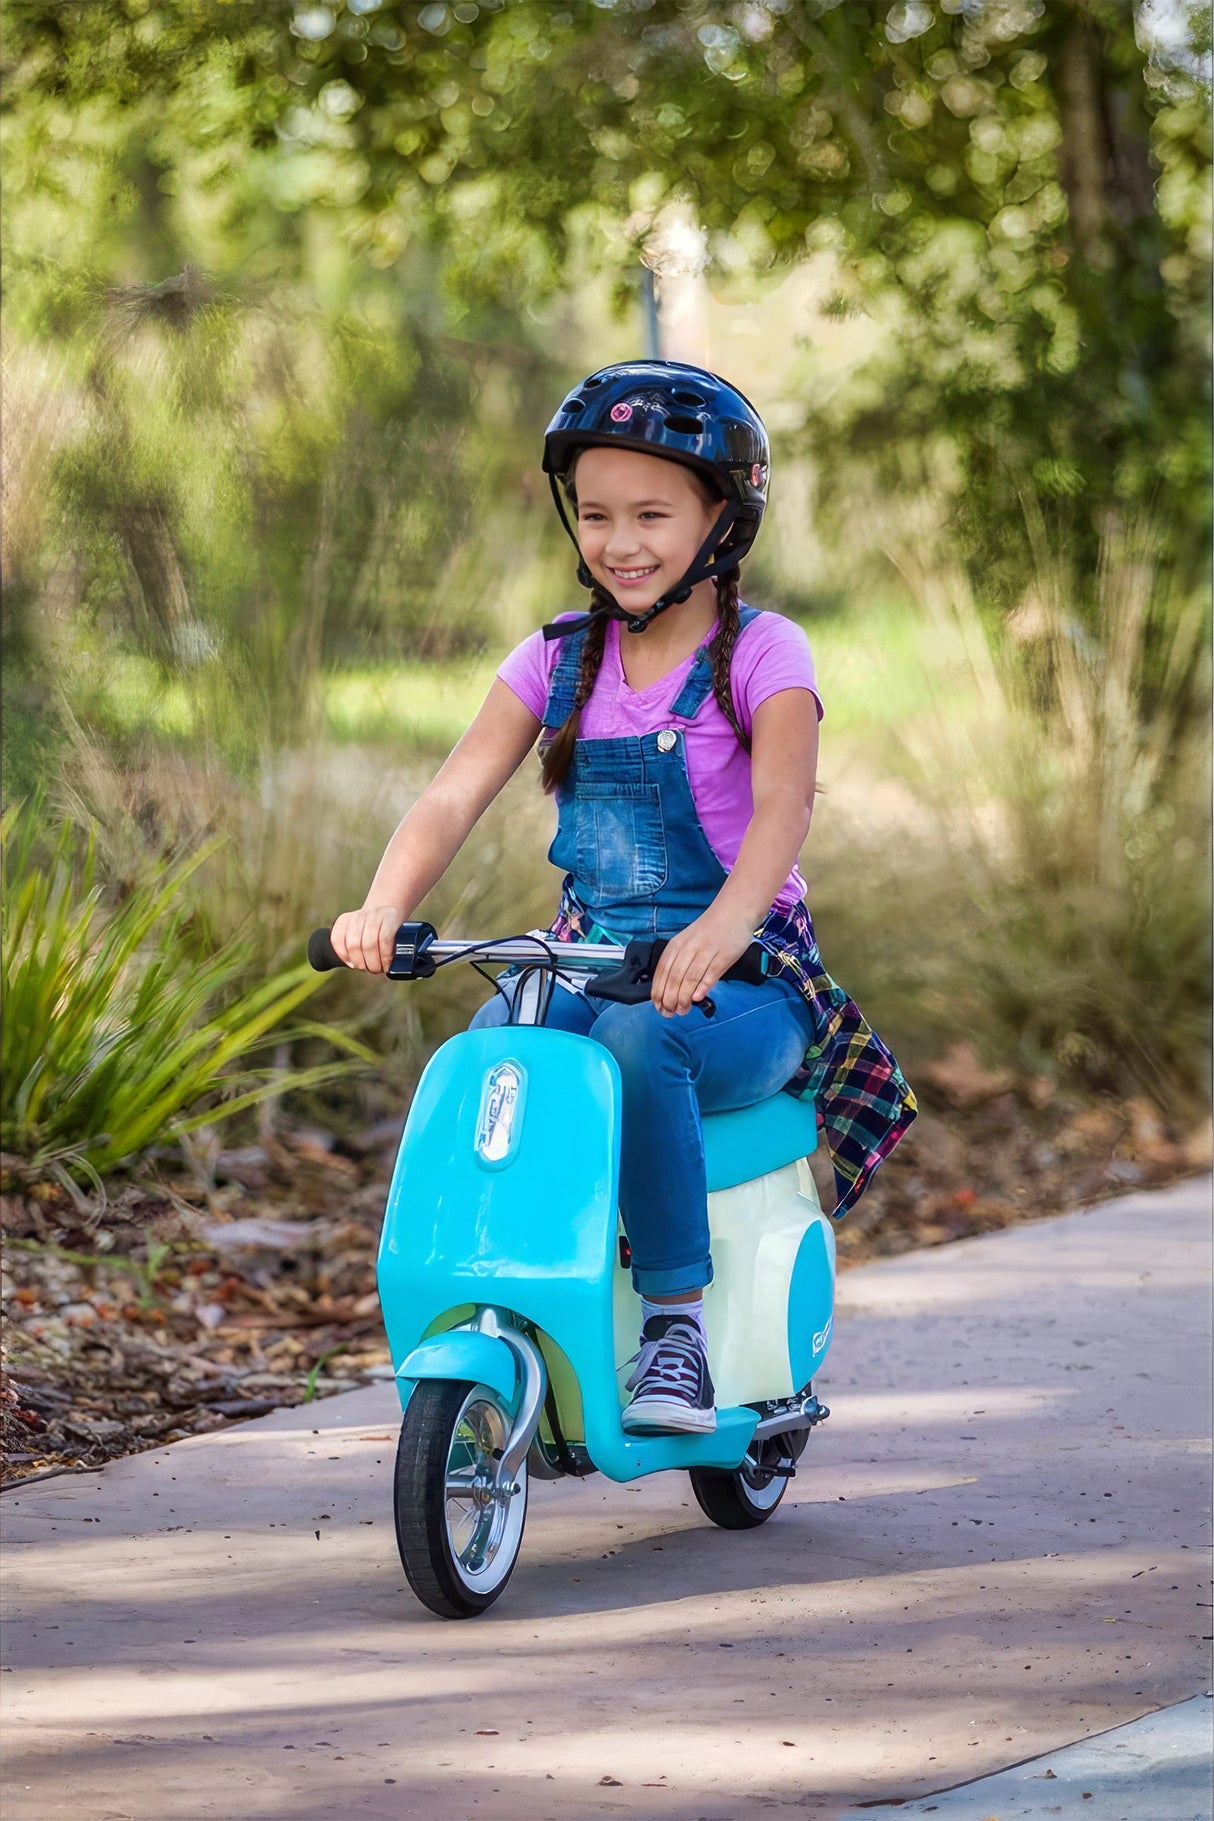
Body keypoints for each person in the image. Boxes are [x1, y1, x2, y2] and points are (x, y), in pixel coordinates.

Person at [330, 360, 916, 1436]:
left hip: (745, 982)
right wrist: (380, 903)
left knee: (649, 1047)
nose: (620, 541)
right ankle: (510, 1291)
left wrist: (718, 928)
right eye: (596, 514)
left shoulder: (761, 651)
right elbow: (451, 795)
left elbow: (784, 809)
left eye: (652, 514)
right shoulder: (556, 660)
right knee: (497, 1042)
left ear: (720, 522)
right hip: (591, 962)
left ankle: (676, 1328)